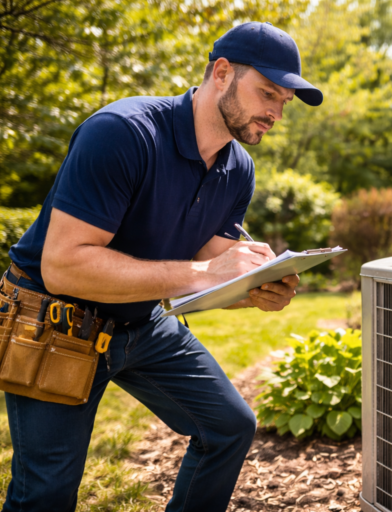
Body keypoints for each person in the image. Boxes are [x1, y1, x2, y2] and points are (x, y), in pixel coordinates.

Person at [1, 21, 322, 512]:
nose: (276, 113)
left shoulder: (239, 169)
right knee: (46, 492)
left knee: (229, 428)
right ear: (221, 73)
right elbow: (63, 266)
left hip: (140, 322)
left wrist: (254, 286)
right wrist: (204, 275)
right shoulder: (122, 134)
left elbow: (212, 257)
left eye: (285, 102)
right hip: (55, 319)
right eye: (268, 94)